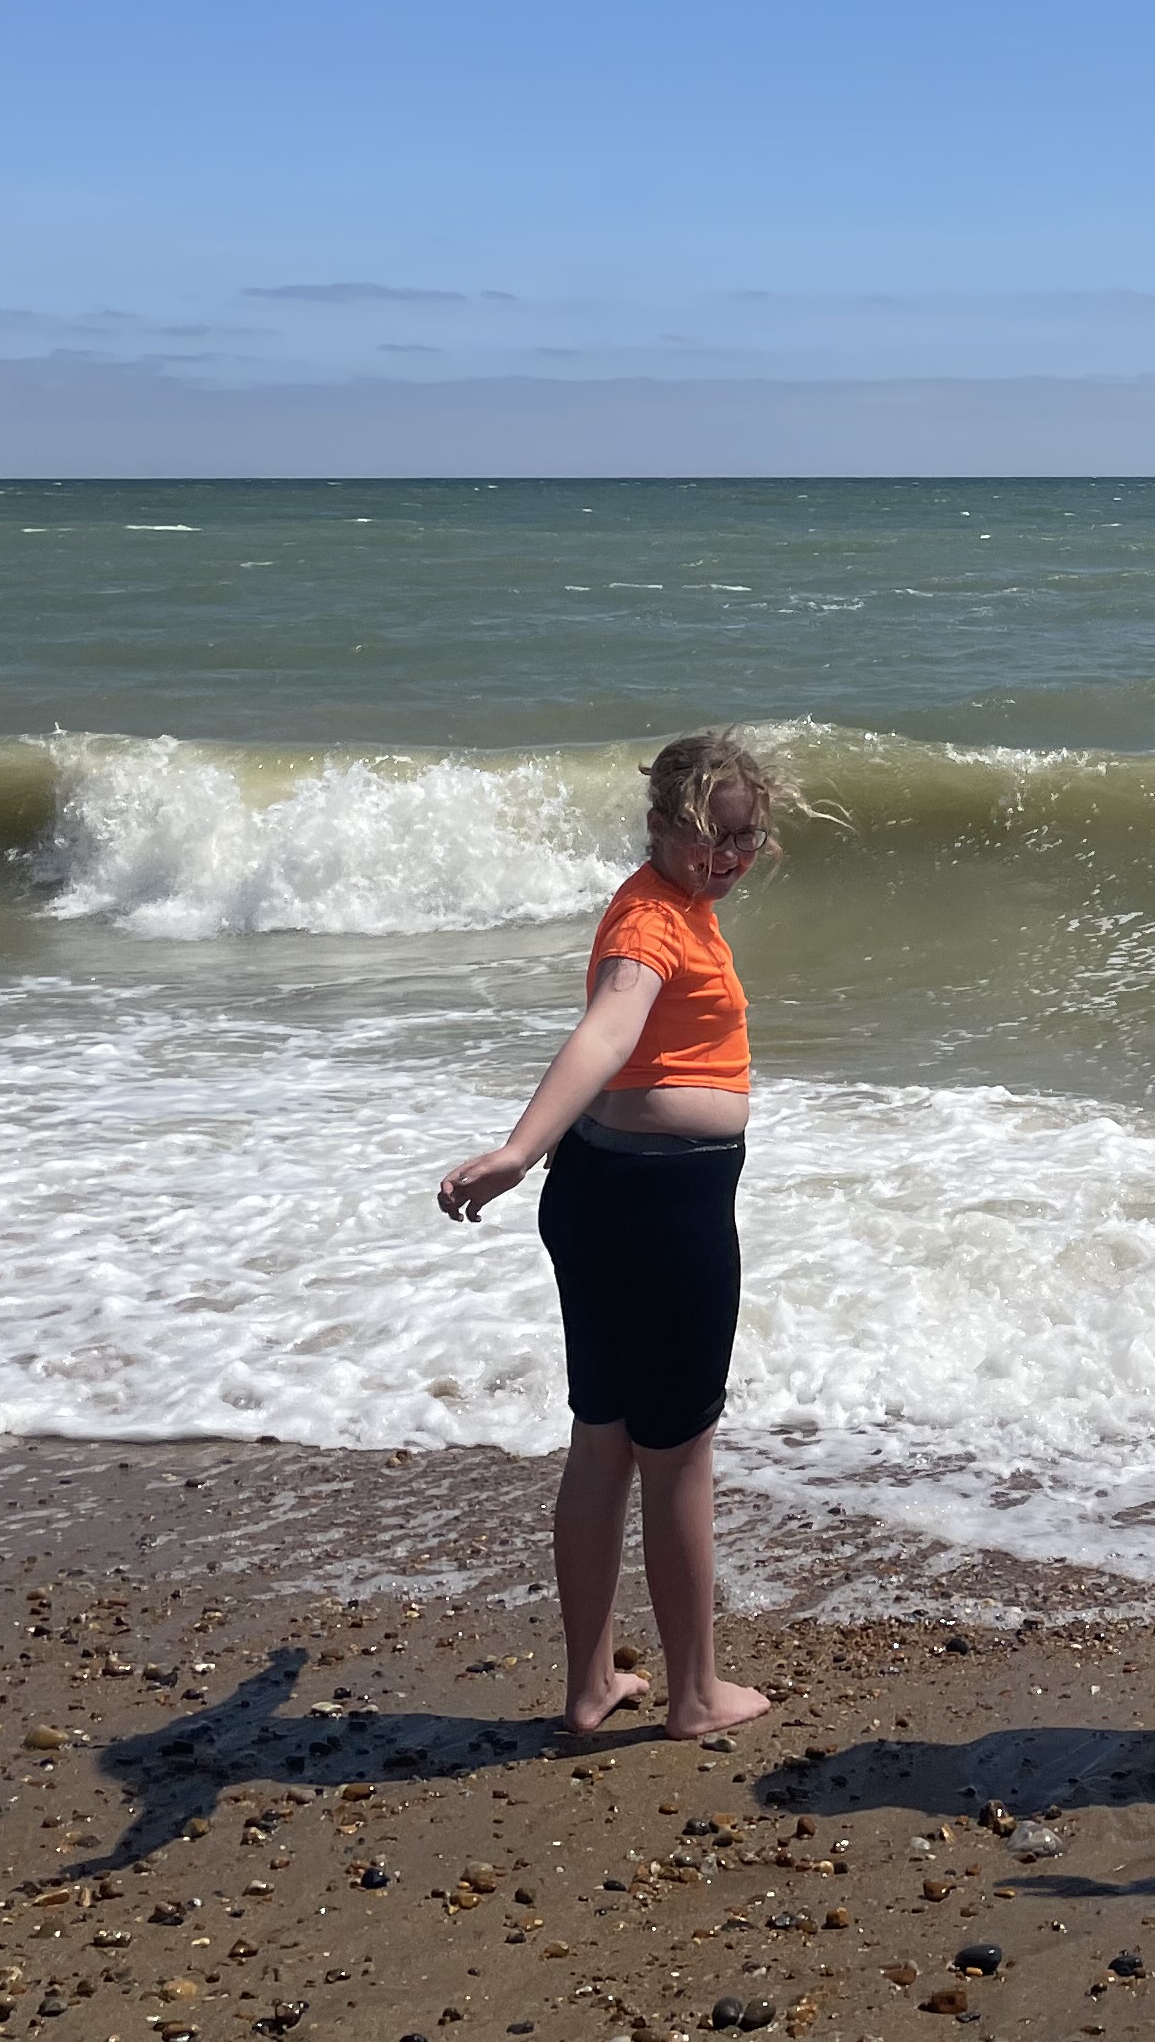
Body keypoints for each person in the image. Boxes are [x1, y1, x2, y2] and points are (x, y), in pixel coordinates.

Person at [438, 729, 789, 1743]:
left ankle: (591, 1686)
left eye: (741, 840)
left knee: (605, 1442)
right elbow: (607, 1028)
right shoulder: (649, 923)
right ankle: (694, 1694)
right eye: (702, 839)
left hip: (606, 1196)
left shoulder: (676, 907)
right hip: (656, 1210)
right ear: (658, 827)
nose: (721, 858)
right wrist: (515, 1150)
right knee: (675, 1453)